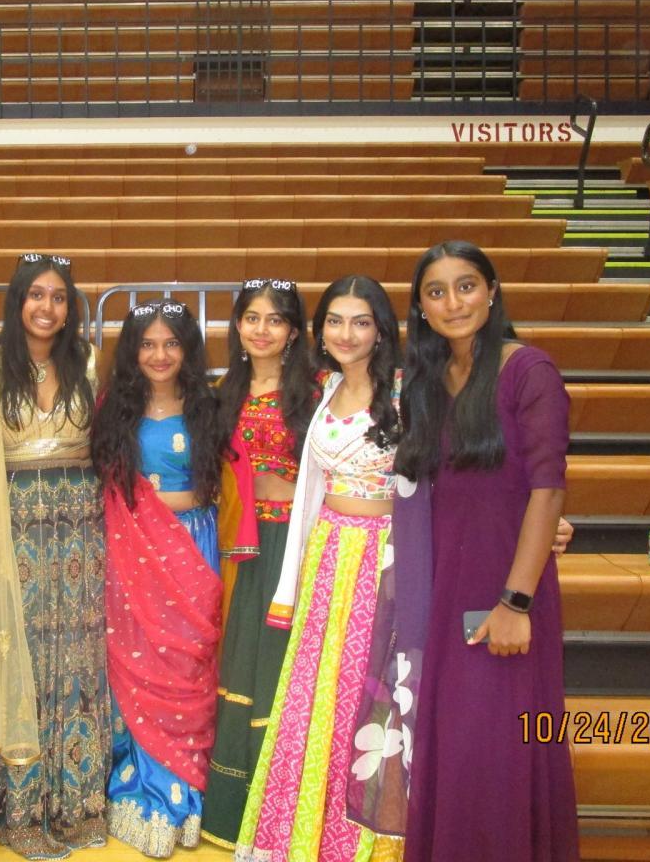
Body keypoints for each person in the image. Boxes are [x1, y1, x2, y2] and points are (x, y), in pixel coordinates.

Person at [392, 241, 578, 862]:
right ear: (421, 308)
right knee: (456, 750)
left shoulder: (529, 371)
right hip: (447, 589)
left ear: (493, 291)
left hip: (505, 591)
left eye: (466, 285)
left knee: (496, 753)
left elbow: (547, 489)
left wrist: (515, 602)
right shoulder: (428, 382)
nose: (453, 302)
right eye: (436, 292)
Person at [236, 275, 406, 862]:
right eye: (335, 321)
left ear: (381, 330)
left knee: (368, 694)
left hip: (384, 559)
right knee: (315, 694)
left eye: (361, 322)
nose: (346, 333)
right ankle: (307, 833)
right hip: (326, 553)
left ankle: (366, 841)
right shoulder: (327, 389)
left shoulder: (408, 394)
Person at [0, 254, 109, 860]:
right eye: (35, 294)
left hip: (81, 531)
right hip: (13, 529)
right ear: (17, 301)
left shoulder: (89, 362)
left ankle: (75, 800)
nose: (47, 307)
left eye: (58, 296)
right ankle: (20, 805)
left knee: (77, 657)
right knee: (20, 653)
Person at [92, 299, 229, 858]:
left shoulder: (210, 407)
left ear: (188, 349)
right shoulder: (113, 411)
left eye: (171, 343)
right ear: (132, 351)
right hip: (134, 556)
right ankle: (141, 785)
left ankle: (189, 785)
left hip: (193, 548)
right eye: (147, 344)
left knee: (189, 667)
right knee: (141, 665)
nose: (159, 355)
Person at [201, 278, 318, 849]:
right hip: (239, 548)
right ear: (237, 325)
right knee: (238, 663)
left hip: (296, 544)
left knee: (281, 667)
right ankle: (233, 814)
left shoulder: (318, 393)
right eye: (252, 317)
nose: (262, 329)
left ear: (293, 331)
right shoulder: (223, 392)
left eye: (275, 319)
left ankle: (282, 815)